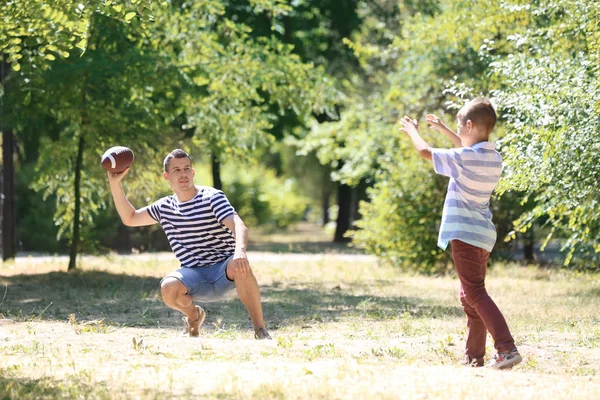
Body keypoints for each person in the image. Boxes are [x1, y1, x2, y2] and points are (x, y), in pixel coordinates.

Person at [399, 98, 521, 369]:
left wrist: (412, 131)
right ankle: (474, 357)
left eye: (459, 126)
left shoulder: (466, 158)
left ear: (469, 125)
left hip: (465, 235)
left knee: (475, 292)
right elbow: (466, 148)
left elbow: (425, 152)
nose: (458, 131)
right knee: (470, 295)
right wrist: (444, 129)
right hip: (483, 236)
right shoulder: (493, 157)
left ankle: (507, 348)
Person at [107, 148, 271, 340]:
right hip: (194, 275)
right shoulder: (164, 207)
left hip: (224, 271)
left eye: (186, 169)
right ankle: (195, 315)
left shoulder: (212, 197)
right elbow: (130, 217)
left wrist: (240, 252)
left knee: (240, 264)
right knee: (168, 287)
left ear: (192, 172)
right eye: (176, 170)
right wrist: (115, 184)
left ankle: (260, 329)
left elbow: (239, 226)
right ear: (166, 176)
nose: (183, 173)